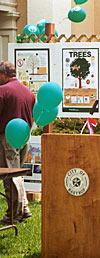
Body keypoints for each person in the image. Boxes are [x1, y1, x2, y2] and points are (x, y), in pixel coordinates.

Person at [0, 61, 35, 224]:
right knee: (18, 175)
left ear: (4, 74)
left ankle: (14, 214)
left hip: (7, 137)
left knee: (10, 176)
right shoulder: (28, 92)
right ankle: (25, 208)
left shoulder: (3, 91)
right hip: (24, 136)